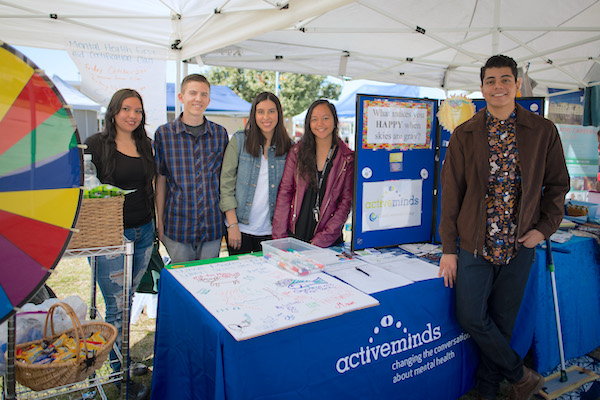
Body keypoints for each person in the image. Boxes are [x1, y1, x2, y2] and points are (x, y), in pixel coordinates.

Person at [438, 55, 570, 400]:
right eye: (491, 80)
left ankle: (489, 390)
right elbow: (451, 196)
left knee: (502, 323)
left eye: (505, 79)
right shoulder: (465, 134)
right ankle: (519, 375)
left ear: (518, 85)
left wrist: (544, 229)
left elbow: (558, 186)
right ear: (482, 87)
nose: (499, 86)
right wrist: (448, 250)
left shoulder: (543, 131)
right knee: (470, 317)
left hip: (520, 244)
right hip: (474, 244)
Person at [85, 89, 155, 400]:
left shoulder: (146, 145)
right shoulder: (96, 144)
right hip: (110, 236)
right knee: (116, 307)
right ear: (114, 111)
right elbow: (83, 188)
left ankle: (122, 360)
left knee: (127, 301)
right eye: (126, 109)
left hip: (143, 232)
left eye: (137, 111)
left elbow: (149, 186)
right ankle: (118, 372)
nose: (132, 115)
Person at [154, 74, 228, 263]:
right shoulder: (164, 134)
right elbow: (161, 180)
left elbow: (225, 181)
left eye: (204, 94)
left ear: (209, 100)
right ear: (181, 97)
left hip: (212, 226)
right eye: (193, 93)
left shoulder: (220, 134)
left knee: (208, 282)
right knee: (182, 285)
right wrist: (159, 222)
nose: (198, 98)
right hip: (177, 226)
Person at [272, 99, 354, 248]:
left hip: (328, 240)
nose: (320, 124)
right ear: (308, 123)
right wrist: (279, 238)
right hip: (295, 234)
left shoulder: (347, 158)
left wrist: (321, 240)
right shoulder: (297, 152)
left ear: (335, 121)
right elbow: (285, 192)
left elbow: (345, 203)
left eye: (325, 118)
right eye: (314, 119)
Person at [219, 92, 293, 255]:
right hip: (239, 228)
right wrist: (232, 225)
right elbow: (226, 185)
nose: (266, 117)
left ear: (279, 114)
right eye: (260, 112)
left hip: (273, 232)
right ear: (254, 115)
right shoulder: (239, 141)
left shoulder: (289, 147)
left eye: (271, 111)